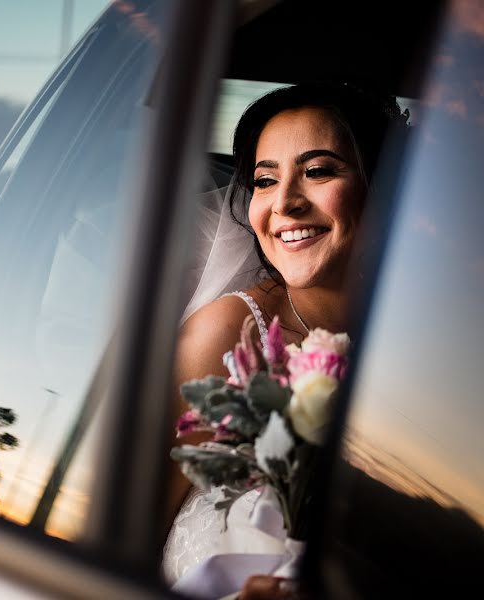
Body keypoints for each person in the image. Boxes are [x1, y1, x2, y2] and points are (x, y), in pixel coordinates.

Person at [162, 82, 407, 599]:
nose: (286, 205)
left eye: (317, 172)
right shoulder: (225, 337)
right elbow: (132, 533)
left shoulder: (417, 338)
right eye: (265, 181)